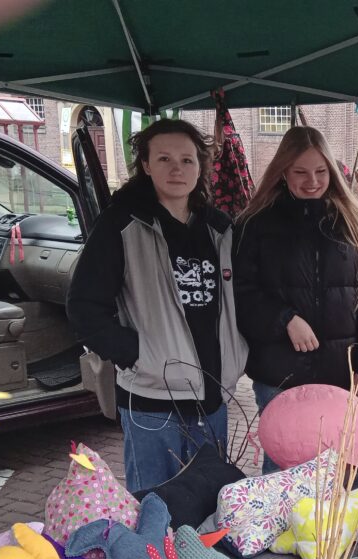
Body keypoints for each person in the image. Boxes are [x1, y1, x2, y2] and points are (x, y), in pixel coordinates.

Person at [67, 119, 248, 493]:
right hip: (152, 402)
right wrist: (136, 353)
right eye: (164, 158)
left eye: (187, 159)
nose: (176, 169)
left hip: (211, 398)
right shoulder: (121, 225)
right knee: (154, 504)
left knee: (208, 503)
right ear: (146, 165)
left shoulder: (220, 229)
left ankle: (197, 557)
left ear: (201, 166)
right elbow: (84, 306)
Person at [234, 126, 358, 472]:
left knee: (337, 469)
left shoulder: (357, 222)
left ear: (332, 172)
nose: (312, 181)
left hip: (341, 372)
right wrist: (285, 319)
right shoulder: (254, 225)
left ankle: (328, 531)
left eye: (321, 171)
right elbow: (241, 293)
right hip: (279, 375)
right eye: (300, 172)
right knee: (282, 468)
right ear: (283, 173)